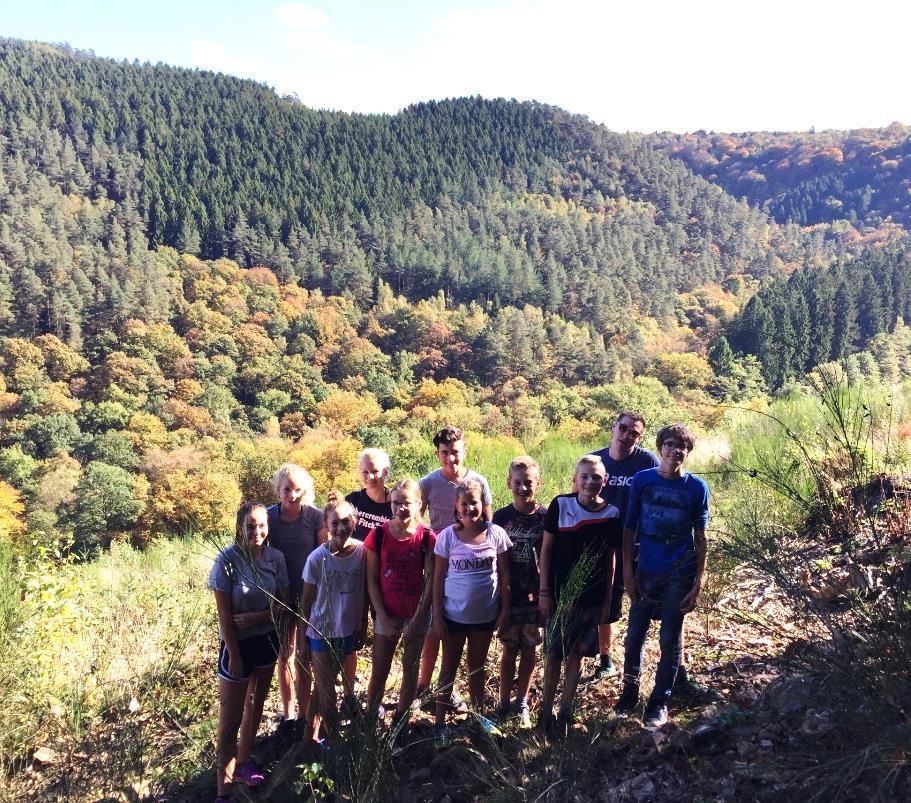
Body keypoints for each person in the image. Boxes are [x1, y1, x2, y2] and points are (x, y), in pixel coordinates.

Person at [615, 423, 709, 730]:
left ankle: (659, 702)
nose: (674, 451)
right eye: (669, 444)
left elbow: (701, 536)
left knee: (670, 638)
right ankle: (628, 695)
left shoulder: (697, 488)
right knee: (633, 638)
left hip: (679, 571)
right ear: (660, 447)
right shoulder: (642, 481)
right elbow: (629, 529)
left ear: (688, 452)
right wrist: (627, 572)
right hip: (646, 569)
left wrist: (698, 581)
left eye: (681, 447)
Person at [209, 503, 288, 802]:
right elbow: (224, 615)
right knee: (229, 721)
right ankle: (222, 789)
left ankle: (244, 762)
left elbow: (283, 603)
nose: (257, 531)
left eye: (262, 525)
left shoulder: (275, 558)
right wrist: (235, 653)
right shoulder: (227, 561)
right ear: (240, 527)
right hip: (236, 646)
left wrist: (259, 617)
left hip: (266, 640)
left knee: (255, 705)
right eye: (251, 526)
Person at [538, 455, 620, 733]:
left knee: (577, 654)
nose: (589, 482)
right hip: (559, 595)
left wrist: (607, 602)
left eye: (596, 477)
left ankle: (566, 711)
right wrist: (544, 592)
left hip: (591, 598)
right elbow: (546, 551)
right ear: (575, 479)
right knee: (553, 655)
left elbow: (611, 559)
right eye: (584, 476)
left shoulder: (611, 514)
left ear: (604, 481)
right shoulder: (560, 505)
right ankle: (545, 713)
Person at [431, 478, 511, 747]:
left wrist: (505, 610)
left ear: (482, 504)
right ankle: (440, 723)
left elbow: (504, 575)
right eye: (463, 504)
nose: (469, 509)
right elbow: (438, 578)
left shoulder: (496, 534)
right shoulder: (447, 537)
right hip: (453, 617)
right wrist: (438, 616)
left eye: (473, 503)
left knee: (477, 668)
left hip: (485, 616)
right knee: (448, 670)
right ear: (456, 506)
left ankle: (478, 717)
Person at [416, 426, 493, 703]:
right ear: (438, 454)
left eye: (455, 452)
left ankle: (452, 690)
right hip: (439, 561)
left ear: (464, 451)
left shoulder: (478, 482)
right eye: (445, 453)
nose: (451, 459)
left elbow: (489, 524)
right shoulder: (427, 483)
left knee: (461, 630)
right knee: (434, 628)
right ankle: (424, 686)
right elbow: (417, 520)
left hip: (471, 564)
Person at [585, 411, 659, 683]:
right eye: (624, 428)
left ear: (639, 437)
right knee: (606, 602)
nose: (627, 435)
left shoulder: (646, 461)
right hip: (604, 545)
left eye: (634, 433)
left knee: (643, 603)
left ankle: (649, 661)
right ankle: (605, 658)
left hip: (639, 545)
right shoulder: (596, 459)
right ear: (614, 427)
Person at [364, 479, 436, 744]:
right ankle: (371, 717)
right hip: (387, 613)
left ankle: (402, 721)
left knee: (410, 669)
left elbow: (430, 582)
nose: (401, 508)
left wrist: (417, 619)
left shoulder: (427, 537)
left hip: (415, 615)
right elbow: (371, 579)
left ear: (418, 504)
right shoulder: (379, 534)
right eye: (396, 503)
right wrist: (381, 615)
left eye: (407, 503)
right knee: (380, 669)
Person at [299, 491, 368, 743]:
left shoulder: (363, 553)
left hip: (348, 630)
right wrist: (300, 641)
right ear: (326, 526)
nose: (341, 528)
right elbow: (305, 603)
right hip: (321, 632)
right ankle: (334, 746)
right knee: (329, 698)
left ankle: (309, 738)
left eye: (346, 521)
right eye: (335, 523)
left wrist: (363, 626)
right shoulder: (317, 559)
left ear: (355, 522)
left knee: (322, 687)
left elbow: (365, 592)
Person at [266, 464, 326, 743]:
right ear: (278, 490)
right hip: (279, 593)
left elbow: (323, 555)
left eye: (297, 489)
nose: (291, 494)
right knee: (285, 655)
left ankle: (304, 714)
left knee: (304, 655)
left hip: (308, 595)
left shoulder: (314, 517)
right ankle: (288, 714)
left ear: (306, 491)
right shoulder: (268, 517)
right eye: (286, 489)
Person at [492, 456, 546, 729]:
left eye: (529, 483)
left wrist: (546, 594)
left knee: (530, 648)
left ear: (538, 483)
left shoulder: (546, 517)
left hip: (536, 596)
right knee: (509, 648)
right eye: (518, 483)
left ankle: (522, 701)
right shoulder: (500, 518)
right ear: (508, 483)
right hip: (509, 595)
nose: (523, 488)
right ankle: (503, 701)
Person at [346, 448, 393, 540]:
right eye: (365, 472)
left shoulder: (395, 504)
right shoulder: (352, 501)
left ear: (385, 472)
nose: (370, 477)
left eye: (375, 471)